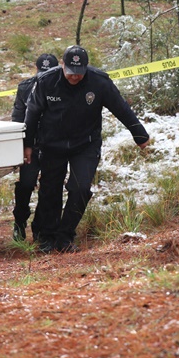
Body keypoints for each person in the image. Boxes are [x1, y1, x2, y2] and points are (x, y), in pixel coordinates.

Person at [23, 45, 150, 253]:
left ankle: (65, 236)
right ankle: (46, 237)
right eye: (71, 73)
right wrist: (28, 144)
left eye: (79, 73)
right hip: (52, 143)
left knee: (80, 188)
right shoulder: (46, 81)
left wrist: (139, 134)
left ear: (86, 67)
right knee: (50, 190)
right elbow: (32, 113)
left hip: (85, 143)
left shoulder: (99, 82)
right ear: (62, 65)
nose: (75, 77)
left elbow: (120, 107)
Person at [10, 53, 59, 242]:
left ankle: (41, 227)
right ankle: (19, 223)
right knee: (26, 185)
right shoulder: (25, 87)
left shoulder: (62, 87)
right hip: (31, 144)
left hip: (53, 144)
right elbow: (18, 118)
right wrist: (21, 146)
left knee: (49, 188)